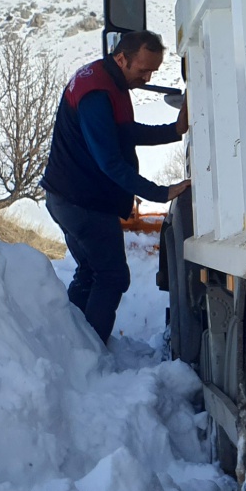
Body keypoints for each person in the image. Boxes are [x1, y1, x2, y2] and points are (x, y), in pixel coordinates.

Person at [41, 30, 191, 343]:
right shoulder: (96, 93)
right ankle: (91, 350)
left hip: (69, 198)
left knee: (90, 272)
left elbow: (122, 132)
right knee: (111, 276)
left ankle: (72, 345)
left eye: (153, 70)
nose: (147, 77)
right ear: (121, 58)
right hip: (82, 203)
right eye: (142, 70)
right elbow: (110, 161)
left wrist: (173, 130)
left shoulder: (106, 80)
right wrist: (161, 192)